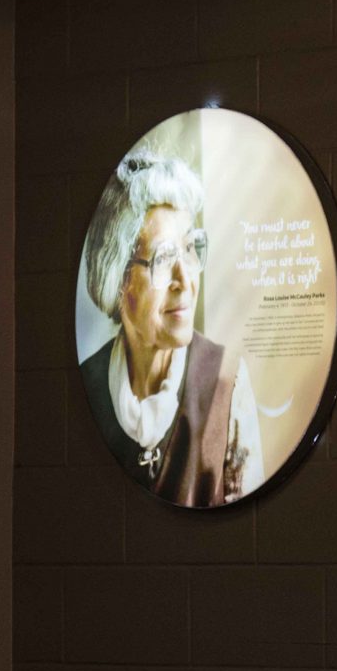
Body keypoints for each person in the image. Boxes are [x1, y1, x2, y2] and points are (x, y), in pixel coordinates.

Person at [79, 151, 263, 505]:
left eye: (190, 248)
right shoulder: (88, 382)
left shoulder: (227, 381)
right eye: (164, 257)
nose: (185, 279)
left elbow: (250, 525)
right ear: (118, 280)